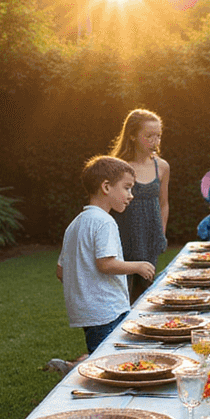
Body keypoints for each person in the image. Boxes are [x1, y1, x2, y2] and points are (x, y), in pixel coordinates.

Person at [56, 156, 156, 356]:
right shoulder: (105, 222)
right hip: (107, 311)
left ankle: (75, 366)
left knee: (100, 354)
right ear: (106, 187)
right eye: (127, 187)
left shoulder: (76, 223)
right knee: (112, 360)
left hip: (88, 314)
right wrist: (138, 266)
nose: (131, 195)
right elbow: (106, 264)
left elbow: (60, 271)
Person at [109, 108, 170, 301]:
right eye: (149, 136)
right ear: (133, 136)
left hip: (149, 240)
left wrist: (161, 234)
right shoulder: (117, 167)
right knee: (121, 296)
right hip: (123, 239)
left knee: (145, 298)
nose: (155, 141)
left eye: (158, 136)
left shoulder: (162, 166)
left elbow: (163, 204)